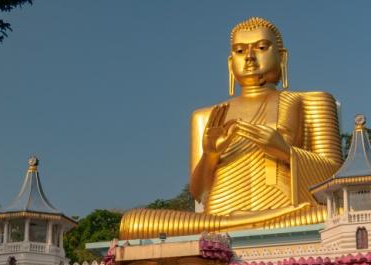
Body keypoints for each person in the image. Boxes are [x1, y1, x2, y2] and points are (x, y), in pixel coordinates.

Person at [119, 17, 343, 240]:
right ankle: (234, 224)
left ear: (282, 57)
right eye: (239, 51)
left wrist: (285, 151)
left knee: (342, 212)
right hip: (218, 217)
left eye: (261, 48)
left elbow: (335, 179)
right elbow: (199, 192)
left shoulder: (312, 101)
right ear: (229, 62)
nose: (249, 57)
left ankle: (235, 225)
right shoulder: (205, 116)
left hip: (288, 214)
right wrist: (210, 154)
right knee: (133, 222)